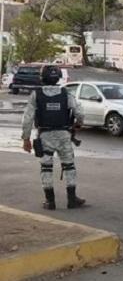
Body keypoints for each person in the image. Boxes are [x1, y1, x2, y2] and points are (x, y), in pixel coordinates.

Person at [21, 66, 85, 210]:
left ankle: (50, 201)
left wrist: (26, 138)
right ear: (58, 77)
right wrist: (78, 124)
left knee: (46, 168)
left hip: (45, 136)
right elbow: (79, 112)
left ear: (42, 78)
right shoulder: (65, 92)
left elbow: (27, 118)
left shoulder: (36, 95)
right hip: (64, 135)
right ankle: (72, 199)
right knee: (69, 166)